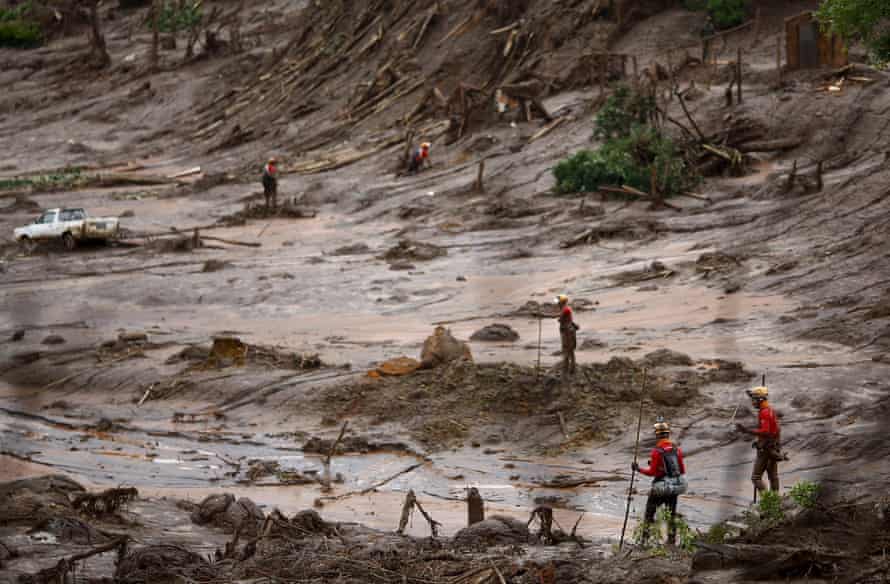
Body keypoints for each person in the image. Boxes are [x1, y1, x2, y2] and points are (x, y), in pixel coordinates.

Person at [633, 419, 687, 545]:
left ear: (657, 435)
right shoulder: (676, 449)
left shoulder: (657, 451)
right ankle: (671, 541)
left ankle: (644, 540)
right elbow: (682, 470)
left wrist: (638, 469)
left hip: (660, 486)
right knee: (671, 515)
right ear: (668, 434)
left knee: (649, 513)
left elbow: (652, 473)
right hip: (674, 487)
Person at [736, 386, 781, 495]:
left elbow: (765, 431)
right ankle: (775, 500)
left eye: (753, 399)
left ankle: (767, 501)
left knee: (756, 478)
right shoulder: (769, 410)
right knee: (773, 476)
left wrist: (746, 430)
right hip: (773, 446)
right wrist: (760, 441)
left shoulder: (764, 413)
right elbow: (774, 430)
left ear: (760, 400)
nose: (752, 402)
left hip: (766, 449)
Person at [555, 295, 578, 377]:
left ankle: (566, 370)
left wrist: (542, 315)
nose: (557, 304)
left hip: (567, 333)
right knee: (570, 351)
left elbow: (559, 319)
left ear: (561, 302)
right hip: (568, 332)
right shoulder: (565, 309)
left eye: (558, 302)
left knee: (566, 351)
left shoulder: (565, 309)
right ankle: (571, 369)